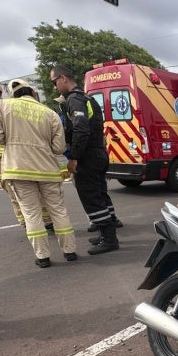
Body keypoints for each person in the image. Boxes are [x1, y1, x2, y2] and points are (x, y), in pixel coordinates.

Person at [0, 79, 77, 268]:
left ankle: (43, 257)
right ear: (34, 93)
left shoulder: (1, 107)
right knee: (58, 211)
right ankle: (70, 251)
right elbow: (59, 148)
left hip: (18, 169)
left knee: (31, 214)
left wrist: (12, 141)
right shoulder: (50, 113)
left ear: (13, 94)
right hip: (48, 170)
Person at [50, 65, 122, 255]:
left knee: (91, 197)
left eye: (54, 81)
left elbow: (81, 129)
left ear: (63, 78)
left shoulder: (74, 100)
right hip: (98, 152)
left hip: (87, 156)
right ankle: (106, 233)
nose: (55, 86)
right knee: (99, 194)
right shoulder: (88, 98)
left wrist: (74, 157)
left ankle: (109, 239)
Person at [0, 76, 54, 230]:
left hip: (21, 155)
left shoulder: (13, 106)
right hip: (0, 159)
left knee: (36, 188)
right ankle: (27, 223)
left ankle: (47, 221)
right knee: (12, 191)